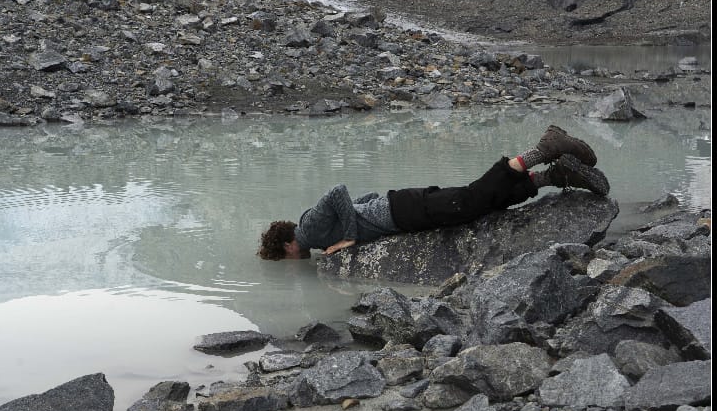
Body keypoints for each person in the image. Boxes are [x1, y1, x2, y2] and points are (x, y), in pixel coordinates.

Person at [258, 125, 608, 262]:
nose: (291, 261)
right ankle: (553, 175)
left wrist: (351, 236)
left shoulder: (308, 232)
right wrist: (368, 213)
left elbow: (338, 191)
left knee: (472, 198)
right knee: (481, 208)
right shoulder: (313, 232)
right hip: (400, 207)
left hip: (403, 211)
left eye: (284, 258)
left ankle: (541, 149)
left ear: (288, 245)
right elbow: (359, 199)